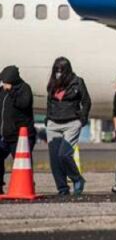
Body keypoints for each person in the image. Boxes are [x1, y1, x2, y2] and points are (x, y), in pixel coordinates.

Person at [45, 57, 90, 196]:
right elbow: (49, 101)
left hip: (72, 122)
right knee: (55, 159)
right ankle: (62, 188)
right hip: (53, 123)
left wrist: (82, 119)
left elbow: (86, 101)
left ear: (68, 70)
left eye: (61, 70)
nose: (58, 72)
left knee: (64, 154)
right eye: (56, 69)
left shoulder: (78, 82)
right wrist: (48, 118)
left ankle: (77, 179)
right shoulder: (52, 82)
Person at [0, 65, 35, 195]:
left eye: (6, 81)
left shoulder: (24, 89)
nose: (4, 84)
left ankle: (27, 186)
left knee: (22, 163)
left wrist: (11, 91)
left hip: (20, 137)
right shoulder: (2, 91)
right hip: (4, 135)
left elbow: (23, 104)